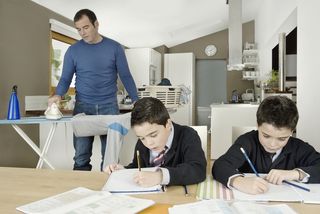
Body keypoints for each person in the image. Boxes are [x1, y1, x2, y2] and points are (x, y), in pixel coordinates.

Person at [48, 9, 138, 171]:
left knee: (110, 159)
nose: (82, 32)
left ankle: (106, 193)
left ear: (96, 24)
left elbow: (126, 76)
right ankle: (82, 193)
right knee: (81, 157)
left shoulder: (115, 48)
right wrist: (58, 94)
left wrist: (137, 100)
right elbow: (65, 78)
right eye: (79, 29)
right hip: (83, 108)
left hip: (109, 108)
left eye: (86, 27)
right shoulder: (73, 51)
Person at [212, 96, 320, 195]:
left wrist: (295, 174)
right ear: (258, 125)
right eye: (266, 136)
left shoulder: (299, 147)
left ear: (292, 131)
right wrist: (239, 181)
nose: (272, 144)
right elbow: (220, 165)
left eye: (282, 138)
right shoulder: (247, 141)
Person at [104, 97, 206, 187]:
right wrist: (123, 170)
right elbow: (138, 167)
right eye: (141, 138)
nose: (149, 143)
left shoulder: (188, 135)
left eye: (153, 135)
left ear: (168, 124)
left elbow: (197, 170)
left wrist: (160, 176)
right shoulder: (142, 142)